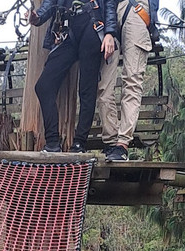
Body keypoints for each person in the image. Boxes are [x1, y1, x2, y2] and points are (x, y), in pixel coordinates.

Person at [30, 0, 117, 153]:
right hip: (68, 29)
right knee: (44, 86)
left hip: (92, 24)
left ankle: (79, 143)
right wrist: (38, 17)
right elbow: (50, 3)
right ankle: (52, 142)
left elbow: (109, 3)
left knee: (86, 90)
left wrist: (110, 32)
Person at [97, 0, 160, 161]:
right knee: (104, 85)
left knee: (132, 80)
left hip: (136, 9)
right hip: (108, 10)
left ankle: (122, 144)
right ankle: (111, 141)